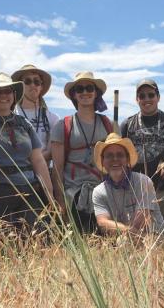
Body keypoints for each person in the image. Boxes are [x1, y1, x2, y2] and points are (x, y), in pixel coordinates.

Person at [0, 72, 53, 232]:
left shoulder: (24, 124)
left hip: (28, 192)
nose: (3, 95)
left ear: (14, 95)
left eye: (7, 91)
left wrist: (49, 195)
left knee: (33, 242)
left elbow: (38, 160)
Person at [51, 71, 112, 233]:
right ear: (74, 95)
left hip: (103, 193)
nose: (85, 92)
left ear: (96, 93)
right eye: (80, 89)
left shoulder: (108, 124)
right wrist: (60, 200)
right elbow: (57, 168)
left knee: (104, 244)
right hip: (73, 195)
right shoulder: (62, 126)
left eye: (89, 88)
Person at [120, 79, 164, 230]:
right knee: (141, 236)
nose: (147, 99)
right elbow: (122, 158)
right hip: (138, 191)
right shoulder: (128, 124)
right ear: (137, 99)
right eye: (142, 96)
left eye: (151, 95)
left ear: (158, 97)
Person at [92, 132, 164, 236]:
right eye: (109, 155)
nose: (115, 159)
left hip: (154, 239)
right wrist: (126, 233)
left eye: (120, 155)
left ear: (127, 159)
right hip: (123, 241)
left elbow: (140, 224)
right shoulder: (98, 191)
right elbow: (103, 223)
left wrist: (122, 233)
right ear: (102, 161)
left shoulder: (143, 182)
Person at [12, 64, 59, 163]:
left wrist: (32, 163)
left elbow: (51, 151)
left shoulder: (53, 119)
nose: (33, 85)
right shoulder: (11, 116)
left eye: (37, 82)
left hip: (42, 175)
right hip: (16, 173)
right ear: (20, 86)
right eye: (27, 81)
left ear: (41, 86)